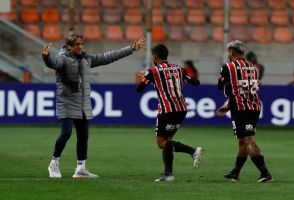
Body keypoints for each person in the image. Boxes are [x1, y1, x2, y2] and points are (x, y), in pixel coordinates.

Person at [42, 34, 145, 178]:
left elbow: (107, 57)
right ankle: (54, 163)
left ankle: (81, 169)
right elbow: (54, 63)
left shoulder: (86, 59)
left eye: (82, 44)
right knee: (66, 133)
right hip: (67, 101)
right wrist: (46, 56)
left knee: (83, 136)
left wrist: (130, 49)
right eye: (77, 44)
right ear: (69, 46)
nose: (80, 46)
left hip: (83, 103)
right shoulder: (63, 58)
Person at [136, 44, 203, 182]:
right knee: (168, 142)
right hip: (182, 109)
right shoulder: (179, 69)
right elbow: (196, 82)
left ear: (154, 55)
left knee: (161, 143)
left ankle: (193, 151)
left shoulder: (153, 70)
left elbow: (139, 89)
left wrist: (144, 76)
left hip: (167, 109)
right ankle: (168, 175)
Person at [216, 40, 272, 183]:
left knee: (247, 140)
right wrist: (228, 106)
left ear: (232, 52)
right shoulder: (254, 67)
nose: (228, 54)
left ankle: (265, 173)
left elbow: (220, 85)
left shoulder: (227, 67)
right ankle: (235, 172)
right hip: (254, 107)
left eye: (228, 51)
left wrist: (229, 101)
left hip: (241, 109)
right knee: (243, 140)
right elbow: (245, 90)